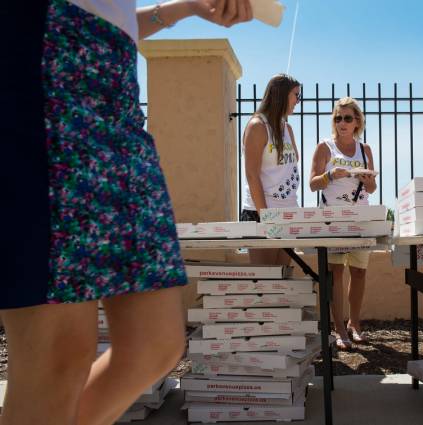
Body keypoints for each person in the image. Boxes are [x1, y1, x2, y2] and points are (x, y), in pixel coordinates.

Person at [1, 2, 253, 425]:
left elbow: (111, 15)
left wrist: (189, 7)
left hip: (116, 103)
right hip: (43, 62)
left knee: (154, 343)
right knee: (57, 354)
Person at [309, 97, 377, 350]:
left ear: (357, 121)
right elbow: (313, 183)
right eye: (338, 118)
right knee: (335, 273)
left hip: (360, 217)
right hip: (333, 220)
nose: (342, 123)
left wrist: (366, 177)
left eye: (347, 118)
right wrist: (329, 175)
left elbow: (372, 187)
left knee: (359, 272)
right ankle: (338, 329)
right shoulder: (325, 147)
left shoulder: (365, 149)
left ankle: (354, 324)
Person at [241, 74, 302, 265]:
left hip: (288, 213)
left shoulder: (287, 128)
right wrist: (266, 217)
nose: (298, 101)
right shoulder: (257, 126)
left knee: (282, 279)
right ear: (282, 95)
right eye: (296, 95)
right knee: (266, 282)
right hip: (262, 214)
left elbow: (292, 163)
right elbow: (251, 175)